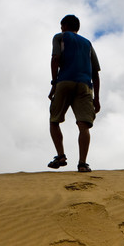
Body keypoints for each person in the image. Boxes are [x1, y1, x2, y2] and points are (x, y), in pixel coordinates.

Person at [48, 15, 101, 172]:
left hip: (64, 81)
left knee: (54, 120)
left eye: (61, 26)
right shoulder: (87, 44)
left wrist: (54, 83)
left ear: (64, 26)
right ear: (77, 28)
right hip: (85, 85)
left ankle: (61, 155)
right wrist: (97, 98)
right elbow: (96, 73)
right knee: (83, 125)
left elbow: (55, 59)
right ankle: (83, 163)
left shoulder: (60, 37)